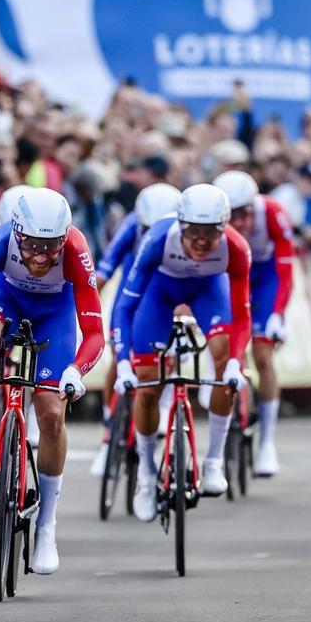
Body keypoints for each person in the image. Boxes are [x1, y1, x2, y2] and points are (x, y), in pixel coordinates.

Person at [0, 187, 104, 575]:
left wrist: (76, 371)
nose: (40, 256)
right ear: (18, 235)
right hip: (6, 297)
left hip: (55, 312)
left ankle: (46, 524)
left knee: (53, 413)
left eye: (50, 247)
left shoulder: (76, 248)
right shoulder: (0, 239)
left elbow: (94, 332)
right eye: (32, 246)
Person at [112, 183, 251, 520]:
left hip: (208, 290)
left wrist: (235, 361)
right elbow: (125, 308)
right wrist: (123, 364)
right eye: (193, 233)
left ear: (224, 227)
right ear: (180, 224)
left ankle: (214, 460)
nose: (201, 242)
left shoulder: (236, 247)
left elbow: (242, 313)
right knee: (147, 384)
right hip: (160, 294)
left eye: (210, 233)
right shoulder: (157, 240)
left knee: (224, 365)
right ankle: (146, 474)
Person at [89, 182, 182, 476]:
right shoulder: (130, 226)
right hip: (133, 292)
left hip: (167, 294)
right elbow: (104, 270)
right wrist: (87, 311)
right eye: (147, 229)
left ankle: (164, 406)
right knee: (119, 357)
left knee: (174, 349)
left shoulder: (185, 233)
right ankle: (109, 431)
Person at [218, 170, 293, 477]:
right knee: (224, 346)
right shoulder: (213, 220)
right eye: (232, 216)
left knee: (263, 354)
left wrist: (278, 314)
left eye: (245, 213)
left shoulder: (274, 212)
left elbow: (286, 268)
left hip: (264, 278)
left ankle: (268, 443)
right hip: (233, 273)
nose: (240, 222)